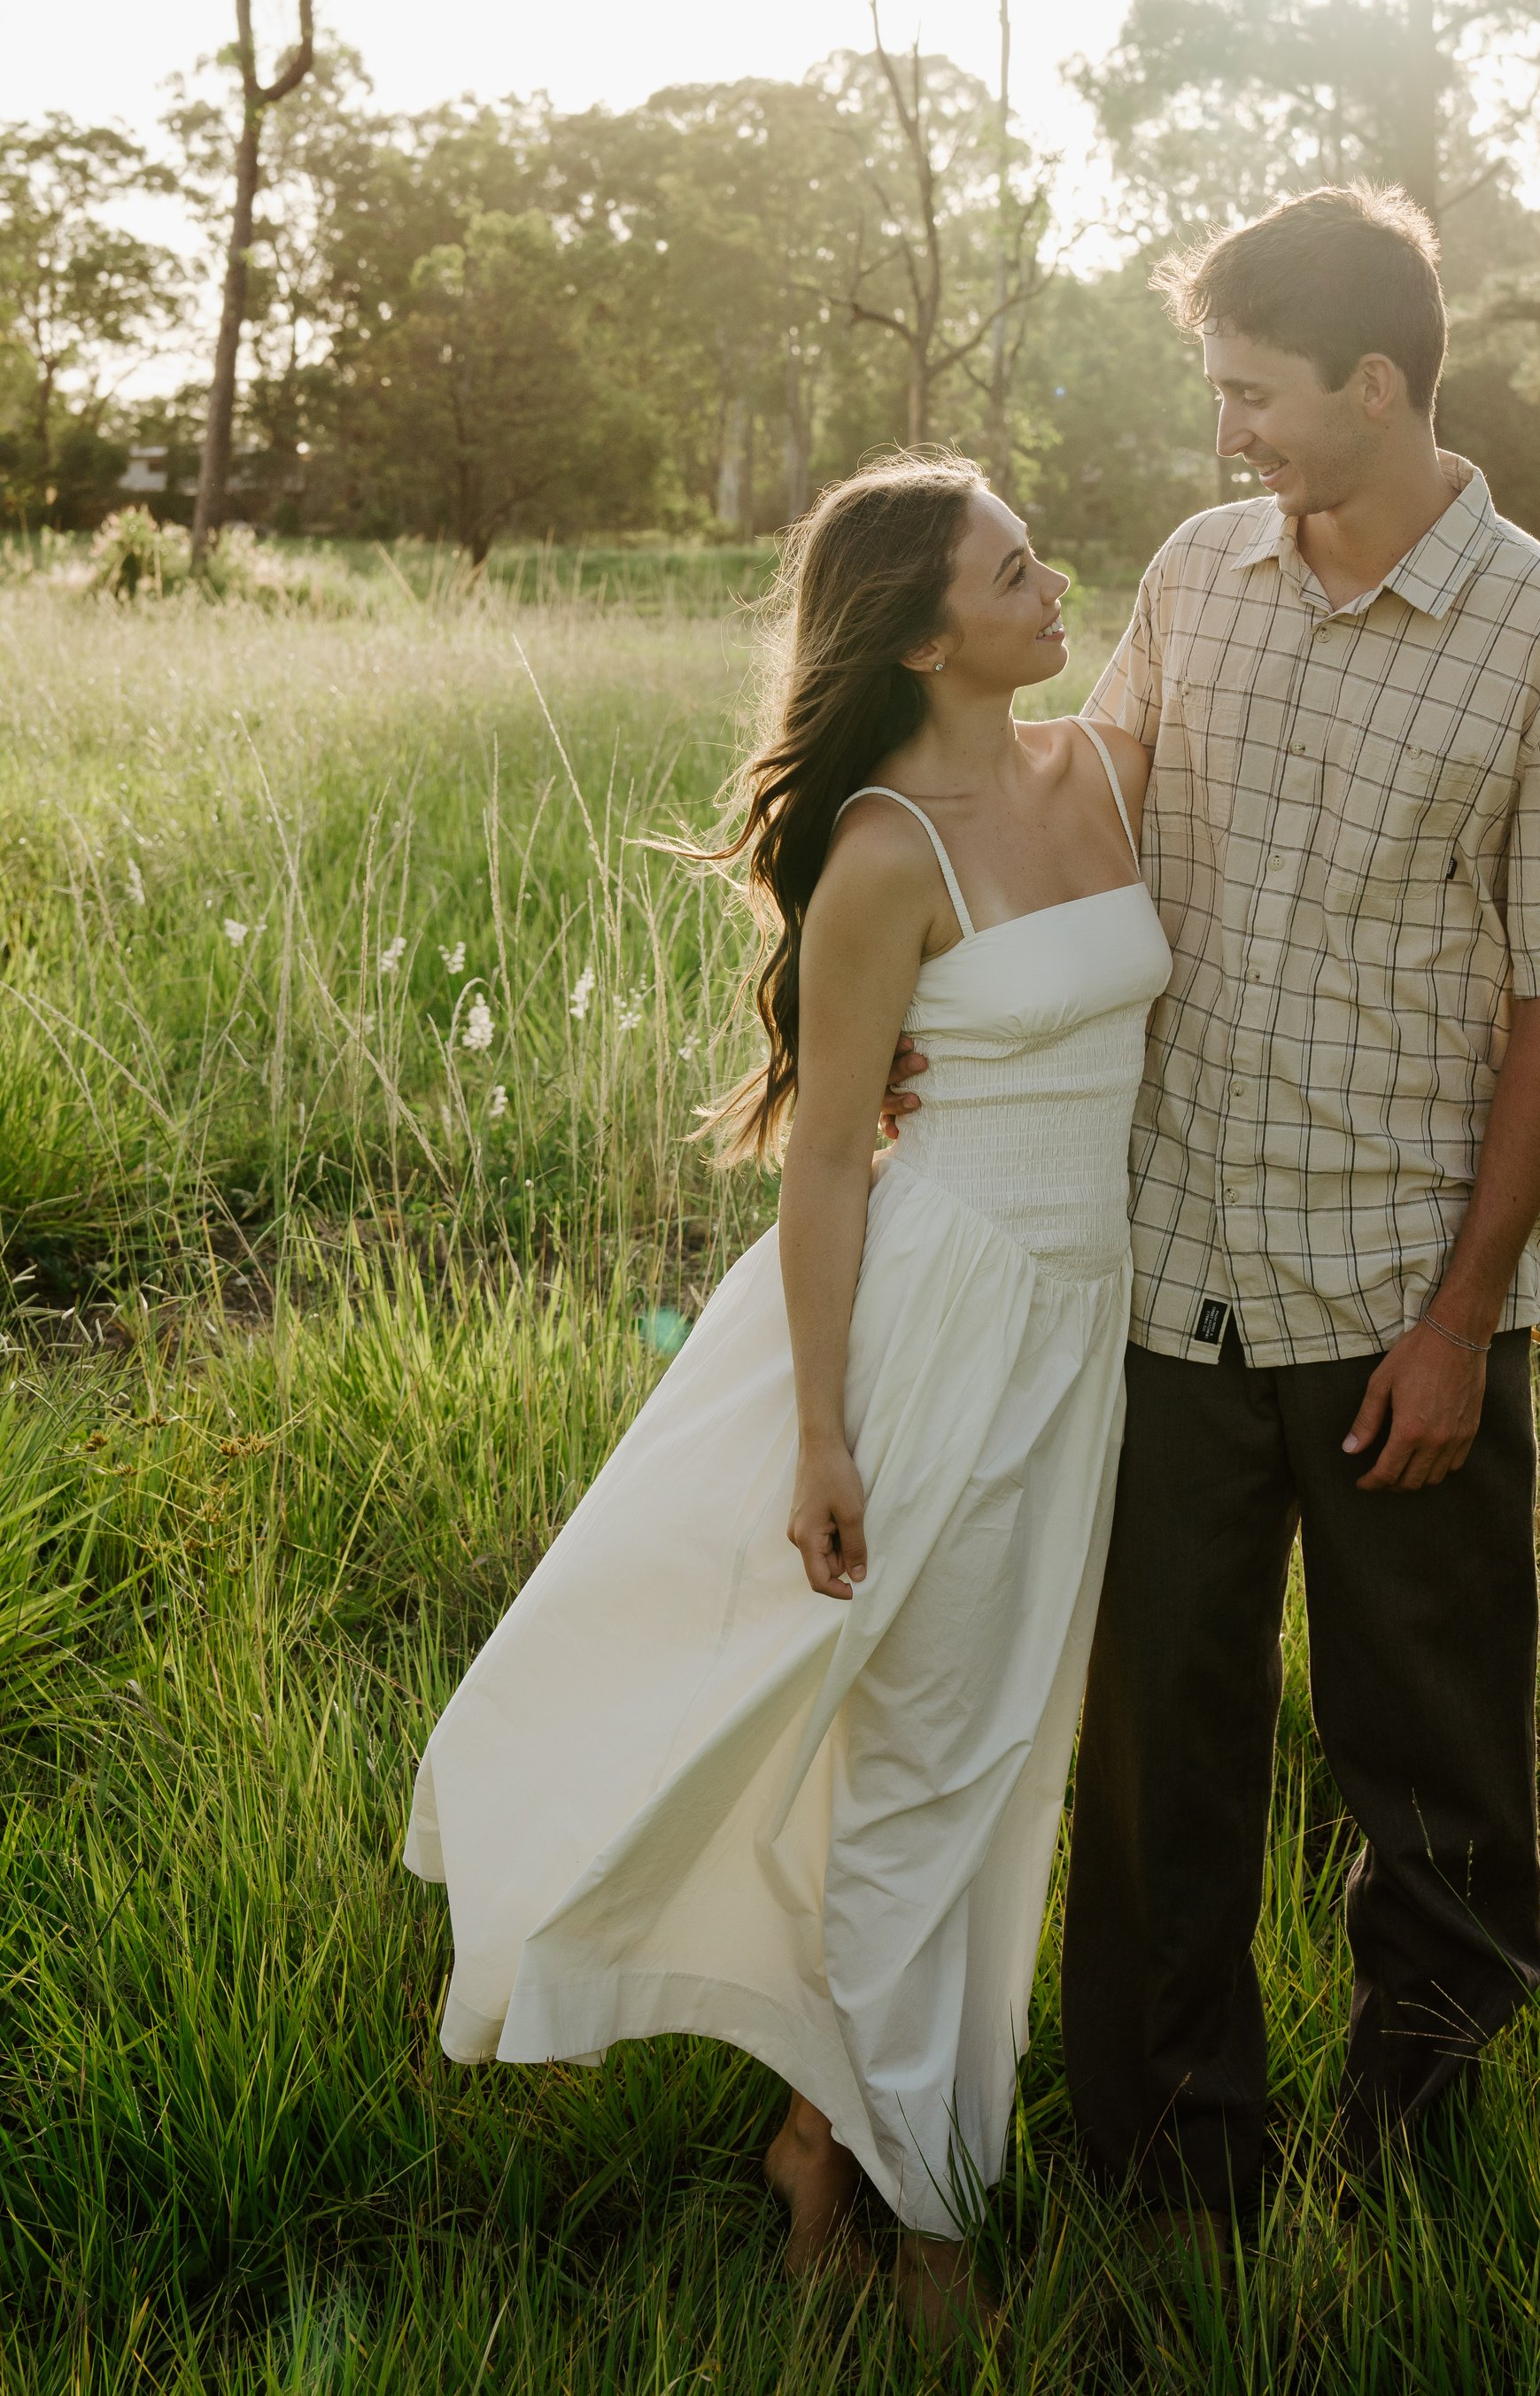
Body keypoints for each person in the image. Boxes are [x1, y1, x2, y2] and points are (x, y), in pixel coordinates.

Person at [904, 184, 1540, 2229]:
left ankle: (1422, 2156)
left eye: (1253, 395)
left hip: (1390, 1299)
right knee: (1158, 1761)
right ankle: (1171, 2174)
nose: (1227, 433)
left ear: (1373, 382)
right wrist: (921, 978)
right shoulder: (1197, 572)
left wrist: (1460, 1318)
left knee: (1424, 1768)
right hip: (1163, 1276)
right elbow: (1087, 811)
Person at [405, 454, 1167, 2340]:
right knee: (926, 1774)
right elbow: (827, 1160)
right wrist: (823, 1434)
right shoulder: (885, 850)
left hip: (1089, 1325)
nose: (1051, 576)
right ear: (921, 628)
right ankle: (931, 2241)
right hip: (941, 1327)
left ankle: (825, 2128)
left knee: (997, 1768)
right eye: (1012, 563)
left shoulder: (1103, 770)